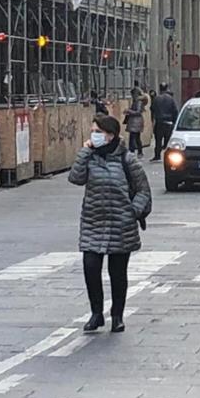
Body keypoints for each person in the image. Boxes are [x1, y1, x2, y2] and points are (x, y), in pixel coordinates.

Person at [68, 114, 151, 333]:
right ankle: (96, 313)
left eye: (98, 132)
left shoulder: (127, 159)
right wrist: (85, 150)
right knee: (91, 267)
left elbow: (143, 190)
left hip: (120, 224)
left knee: (117, 272)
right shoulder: (90, 157)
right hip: (93, 223)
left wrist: (132, 211)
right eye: (92, 131)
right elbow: (75, 178)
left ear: (111, 135)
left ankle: (117, 315)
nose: (94, 135)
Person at [150, 83, 179, 161]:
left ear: (160, 89)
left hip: (159, 122)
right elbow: (175, 111)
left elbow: (152, 109)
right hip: (169, 122)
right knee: (168, 141)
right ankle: (168, 156)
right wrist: (175, 122)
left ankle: (157, 155)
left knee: (158, 140)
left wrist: (153, 119)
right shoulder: (171, 99)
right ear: (166, 88)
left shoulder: (156, 99)